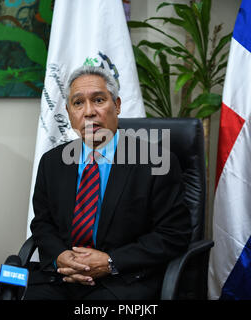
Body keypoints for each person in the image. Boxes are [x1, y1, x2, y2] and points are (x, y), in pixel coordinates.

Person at [25, 66, 191, 300]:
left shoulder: (156, 162)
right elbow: (43, 223)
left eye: (99, 100)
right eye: (78, 103)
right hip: (62, 277)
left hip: (123, 280)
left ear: (118, 105)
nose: (89, 112)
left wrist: (110, 262)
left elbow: (173, 234)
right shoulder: (52, 162)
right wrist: (60, 255)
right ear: (69, 112)